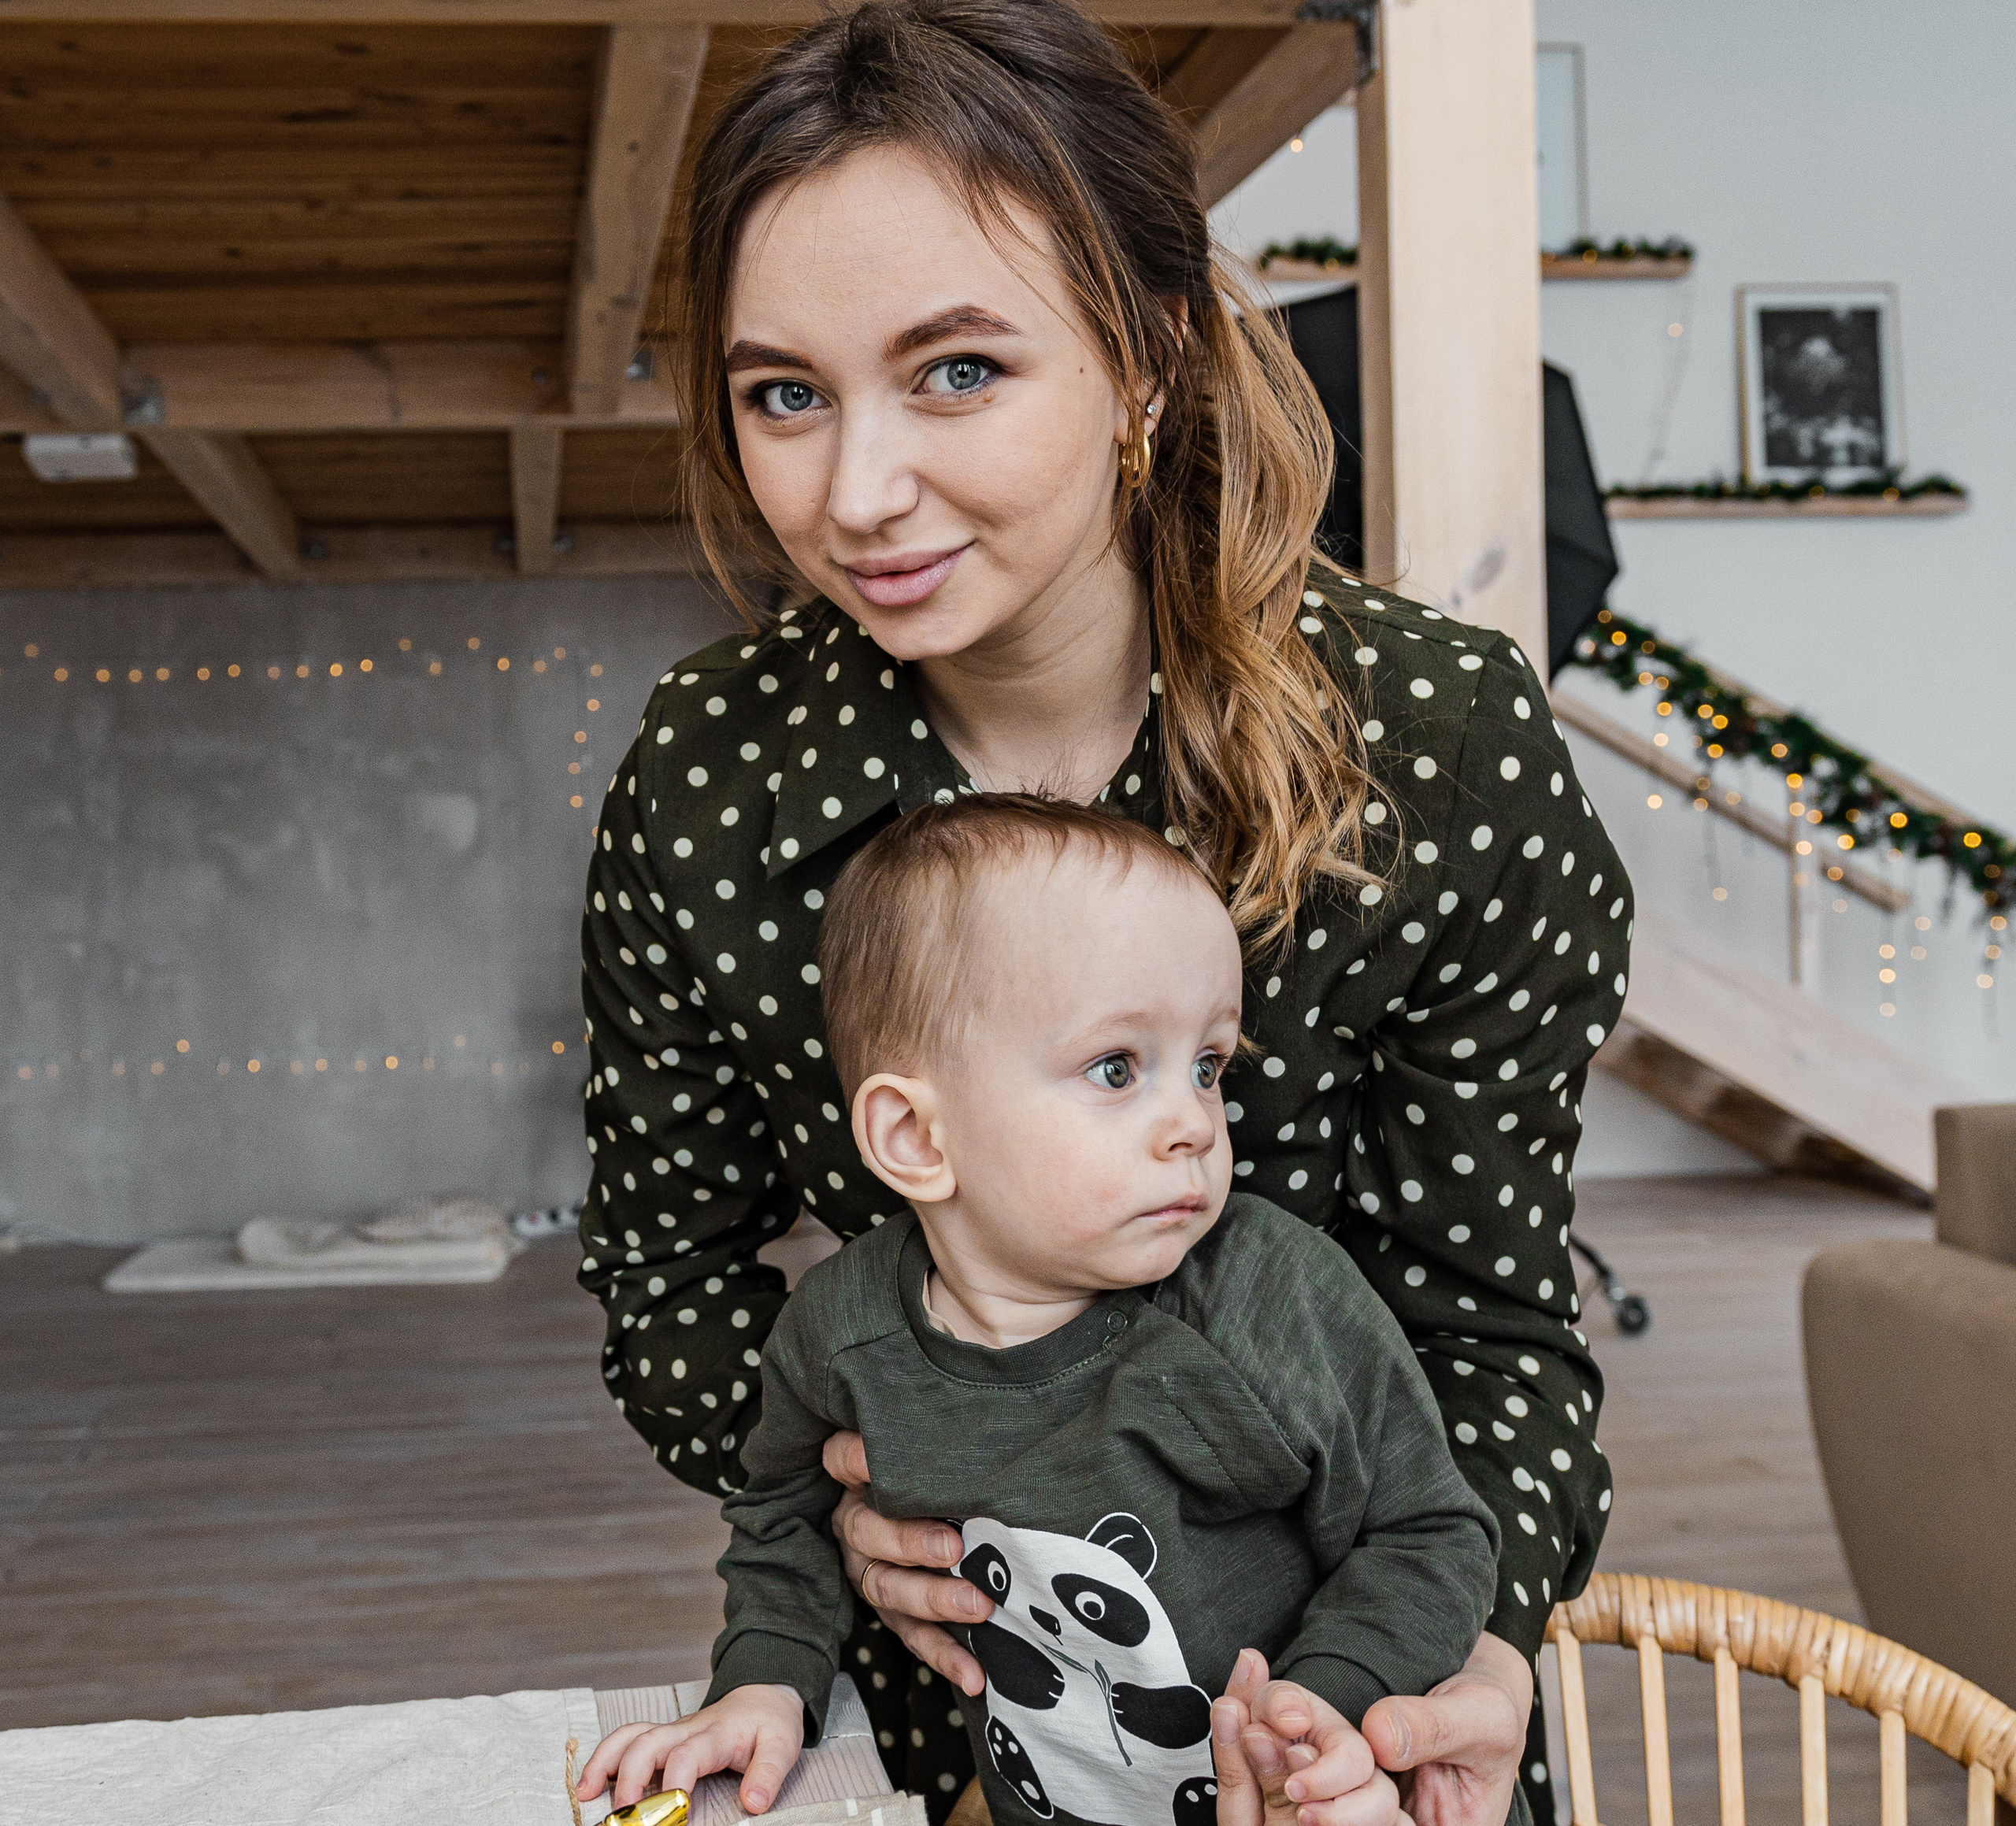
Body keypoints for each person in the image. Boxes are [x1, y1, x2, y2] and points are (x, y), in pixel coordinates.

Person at [576, 2, 1631, 1821]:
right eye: (783, 393)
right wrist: (860, 1477)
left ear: (1144, 355)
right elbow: (661, 1277)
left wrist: (1448, 1657)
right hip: (975, 1729)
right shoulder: (710, 774)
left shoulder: (1435, 746)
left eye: (958, 369)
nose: (855, 493)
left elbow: (1494, 1333)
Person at [576, 797, 1501, 1824]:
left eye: (1207, 1067)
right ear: (916, 1138)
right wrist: (765, 1680)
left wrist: (1329, 1699)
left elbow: (1430, 1535)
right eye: (1117, 1069)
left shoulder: (1270, 1296)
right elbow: (784, 1516)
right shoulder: (843, 1335)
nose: (1192, 1123)